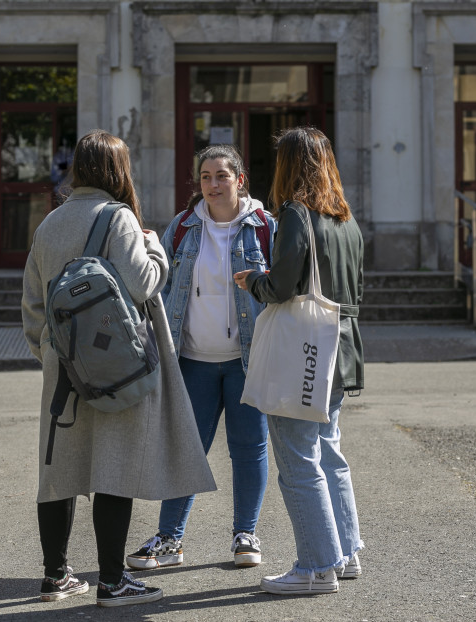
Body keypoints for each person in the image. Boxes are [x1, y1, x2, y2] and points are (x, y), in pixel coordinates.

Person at [21, 130, 216, 607]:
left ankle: (55, 577)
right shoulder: (119, 218)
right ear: (117, 170)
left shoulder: (49, 223)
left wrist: (51, 353)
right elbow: (143, 283)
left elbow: (32, 304)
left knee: (58, 469)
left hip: (63, 366)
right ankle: (111, 582)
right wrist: (155, 248)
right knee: (114, 467)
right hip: (116, 365)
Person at [126, 144, 276, 571]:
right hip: (192, 359)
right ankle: (171, 538)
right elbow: (160, 282)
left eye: (222, 176)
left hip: (249, 360)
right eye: (206, 176)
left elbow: (283, 287)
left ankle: (245, 533)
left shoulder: (265, 227)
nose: (213, 184)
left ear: (239, 180)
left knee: (249, 449)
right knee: (186, 450)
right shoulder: (183, 227)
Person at [234, 126, 365, 595]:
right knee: (329, 450)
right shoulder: (346, 219)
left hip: (304, 351)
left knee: (297, 457)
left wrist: (253, 281)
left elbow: (284, 286)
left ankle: (315, 566)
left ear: (289, 164)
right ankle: (345, 555)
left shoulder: (295, 214)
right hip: (341, 347)